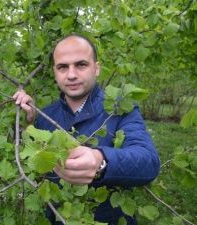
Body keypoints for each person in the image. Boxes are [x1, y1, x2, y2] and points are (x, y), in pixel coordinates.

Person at [13, 34, 160, 225]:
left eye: (81, 64)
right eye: (63, 67)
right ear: (54, 72)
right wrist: (30, 120)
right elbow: (35, 163)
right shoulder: (46, 115)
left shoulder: (120, 108)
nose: (71, 74)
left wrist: (101, 161)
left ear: (96, 68)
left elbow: (149, 162)